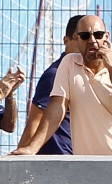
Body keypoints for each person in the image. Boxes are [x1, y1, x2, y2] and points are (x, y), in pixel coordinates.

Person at [11, 15, 112, 156]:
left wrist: (111, 67)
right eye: (85, 36)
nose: (92, 40)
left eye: (98, 35)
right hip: (86, 163)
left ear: (106, 36)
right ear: (76, 38)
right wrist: (32, 148)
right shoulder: (69, 64)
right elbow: (57, 107)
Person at [16, 15, 84, 154]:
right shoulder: (55, 75)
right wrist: (18, 161)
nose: (87, 43)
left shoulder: (86, 75)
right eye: (81, 37)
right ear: (67, 40)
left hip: (79, 157)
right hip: (58, 159)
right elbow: (35, 122)